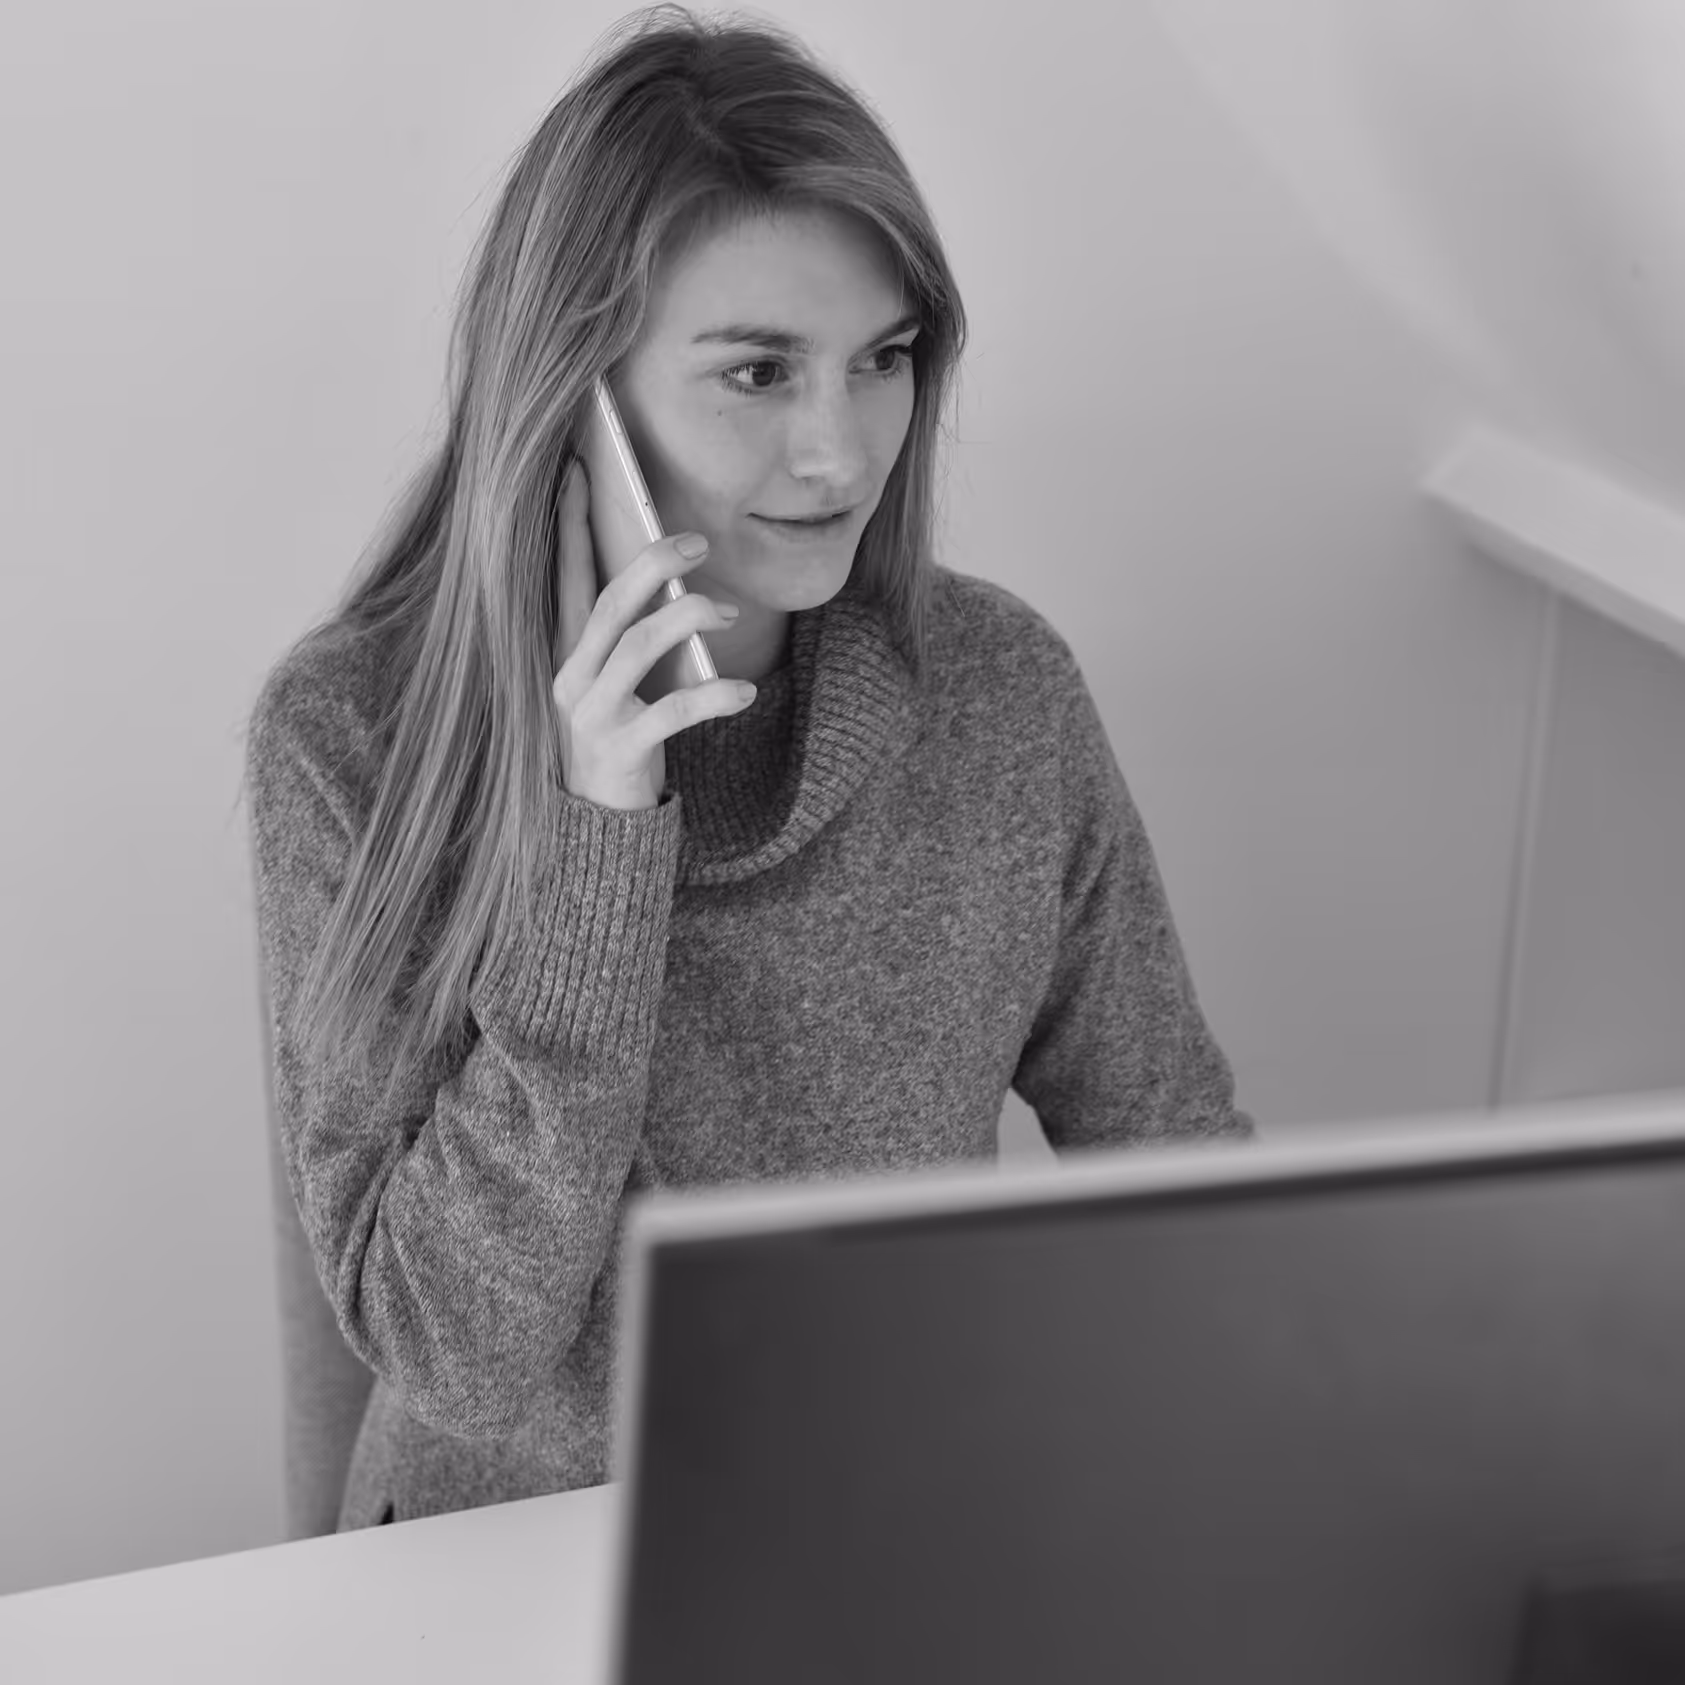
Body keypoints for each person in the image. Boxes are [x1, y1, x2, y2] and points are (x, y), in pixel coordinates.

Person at [243, 3, 1255, 1534]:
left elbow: (1177, 1177)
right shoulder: (349, 739)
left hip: (891, 1543)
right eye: (759, 374)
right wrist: (598, 841)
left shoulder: (999, 693)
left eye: (885, 360)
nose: (844, 455)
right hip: (487, 1578)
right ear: (575, 395)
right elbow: (446, 1349)